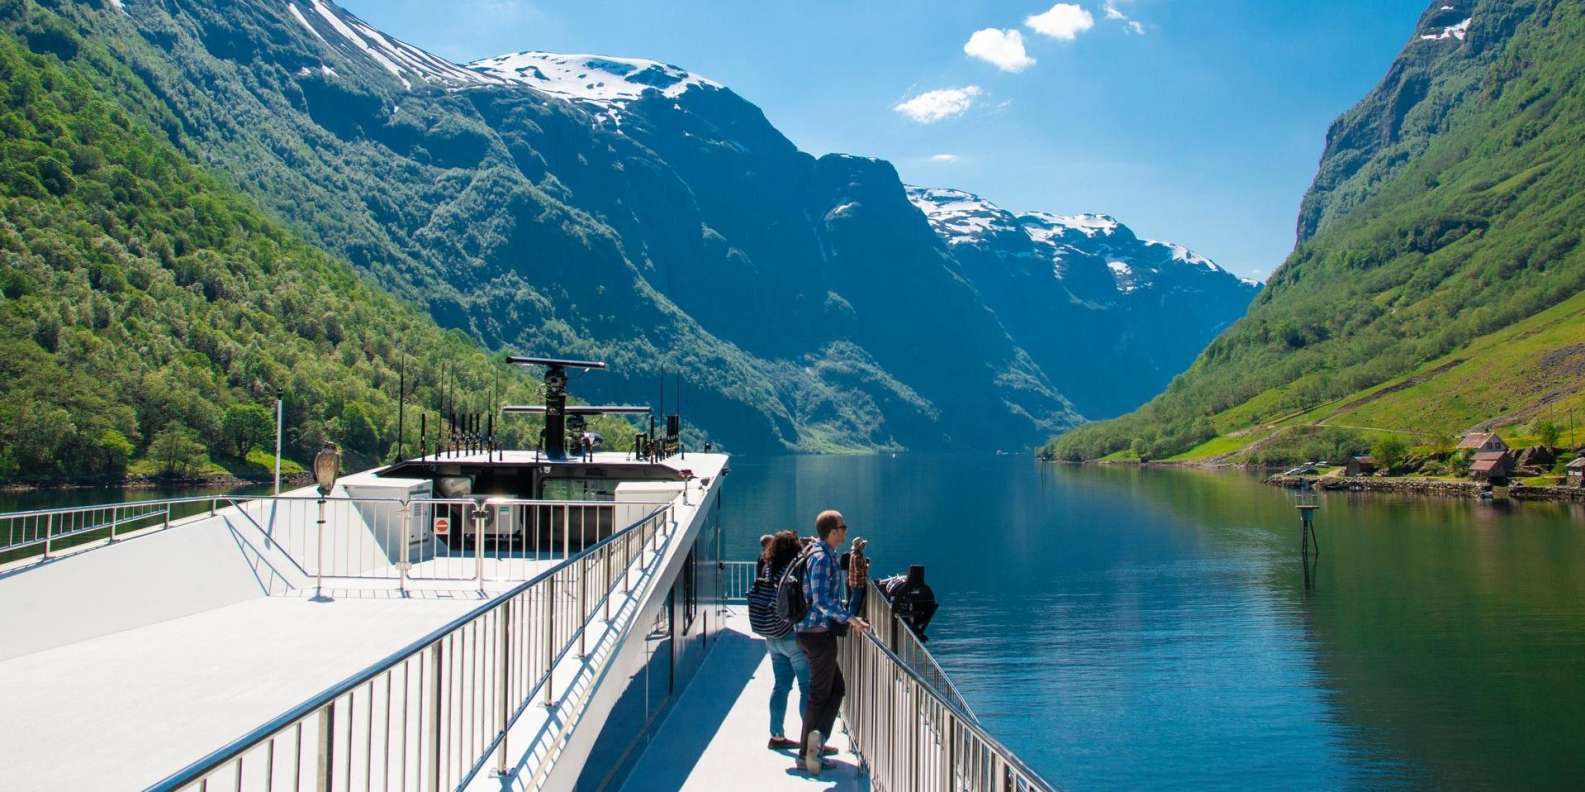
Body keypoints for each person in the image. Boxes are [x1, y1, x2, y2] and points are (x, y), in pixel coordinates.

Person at [796, 510, 869, 775]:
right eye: (843, 526)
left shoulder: (823, 555)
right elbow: (821, 600)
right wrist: (851, 619)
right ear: (832, 531)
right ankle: (807, 754)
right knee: (819, 694)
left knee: (836, 688)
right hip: (816, 634)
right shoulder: (821, 558)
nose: (846, 531)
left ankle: (817, 743)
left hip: (814, 633)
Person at [755, 531, 810, 750]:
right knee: (807, 687)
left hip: (772, 637)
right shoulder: (794, 570)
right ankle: (810, 743)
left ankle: (776, 735)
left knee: (780, 686)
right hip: (791, 636)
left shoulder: (768, 568)